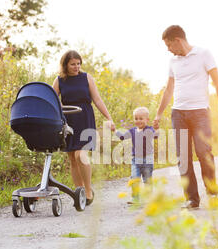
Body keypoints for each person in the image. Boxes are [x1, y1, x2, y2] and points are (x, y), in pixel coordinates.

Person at [153, 25, 218, 210]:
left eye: (169, 45)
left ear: (178, 40)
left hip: (200, 112)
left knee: (204, 152)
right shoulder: (173, 62)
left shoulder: (204, 54)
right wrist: (158, 114)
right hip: (178, 113)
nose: (168, 49)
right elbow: (168, 89)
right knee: (183, 158)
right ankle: (192, 199)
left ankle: (213, 194)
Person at [52, 50, 115, 205]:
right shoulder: (59, 80)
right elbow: (52, 98)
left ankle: (88, 191)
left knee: (81, 155)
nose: (76, 67)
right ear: (65, 65)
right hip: (68, 119)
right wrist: (59, 108)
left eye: (78, 64)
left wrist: (109, 118)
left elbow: (97, 99)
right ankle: (78, 192)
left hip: (85, 117)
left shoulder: (87, 77)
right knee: (73, 158)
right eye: (73, 64)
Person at [116, 107, 159, 203]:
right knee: (134, 179)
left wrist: (156, 129)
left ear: (147, 120)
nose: (138, 121)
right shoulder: (132, 131)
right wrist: (115, 130)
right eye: (136, 118)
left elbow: (156, 136)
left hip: (148, 159)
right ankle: (135, 198)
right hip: (135, 160)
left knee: (147, 180)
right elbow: (122, 137)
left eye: (141, 118)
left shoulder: (149, 129)